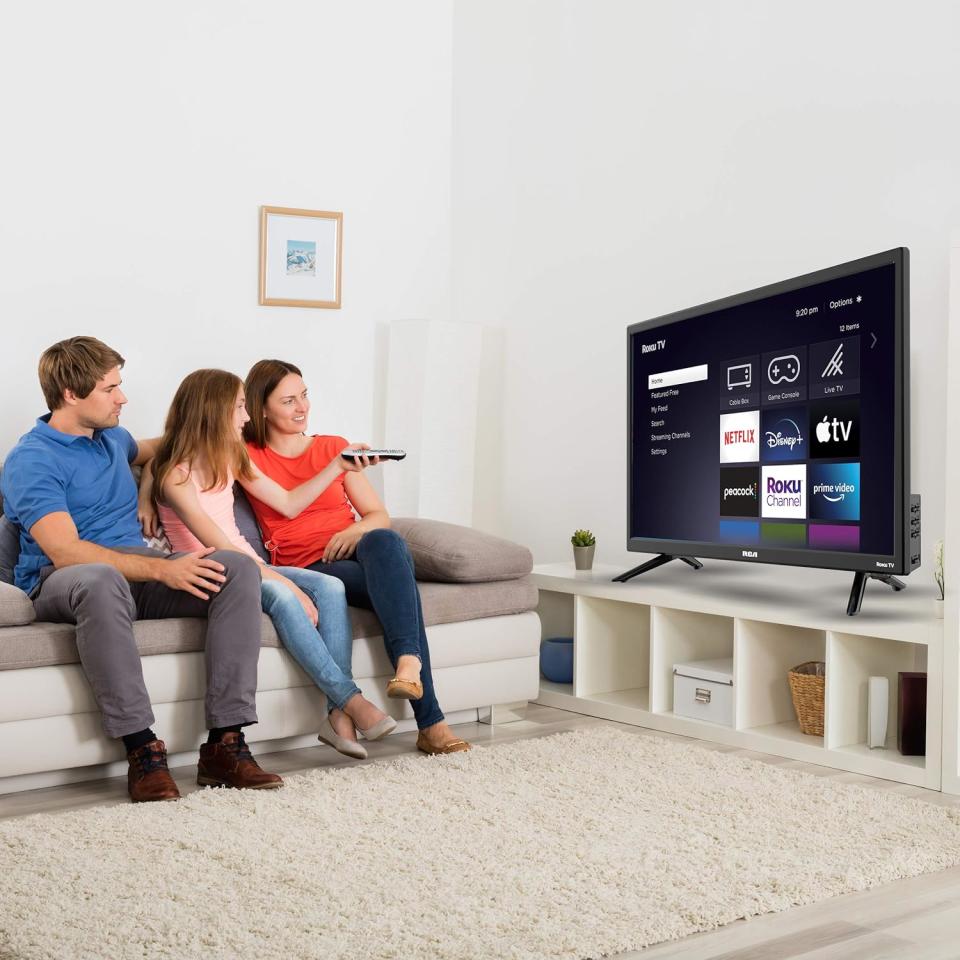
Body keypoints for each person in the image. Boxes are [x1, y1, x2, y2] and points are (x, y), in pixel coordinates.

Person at [0, 337, 283, 802]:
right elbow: (67, 552)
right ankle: (142, 749)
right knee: (100, 577)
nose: (123, 398)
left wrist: (150, 486)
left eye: (120, 386)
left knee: (235, 568)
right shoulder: (33, 459)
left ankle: (225, 745)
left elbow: (164, 446)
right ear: (71, 395)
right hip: (61, 580)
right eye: (110, 389)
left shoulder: (111, 438)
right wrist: (162, 572)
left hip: (135, 572)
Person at [141, 368, 396, 760]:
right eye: (240, 408)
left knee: (331, 586)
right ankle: (351, 699)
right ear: (213, 412)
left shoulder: (230, 455)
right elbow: (221, 546)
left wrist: (337, 467)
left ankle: (336, 715)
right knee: (282, 594)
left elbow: (289, 503)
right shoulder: (175, 476)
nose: (246, 418)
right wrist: (288, 585)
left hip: (248, 561)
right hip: (218, 569)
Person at [241, 359, 471, 755]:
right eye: (289, 400)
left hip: (355, 556)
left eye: (305, 395)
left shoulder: (332, 446)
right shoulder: (247, 455)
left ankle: (408, 668)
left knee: (385, 540)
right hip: (308, 568)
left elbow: (378, 514)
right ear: (261, 408)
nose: (303, 407)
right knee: (404, 593)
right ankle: (430, 721)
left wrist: (353, 530)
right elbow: (175, 447)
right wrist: (145, 492)